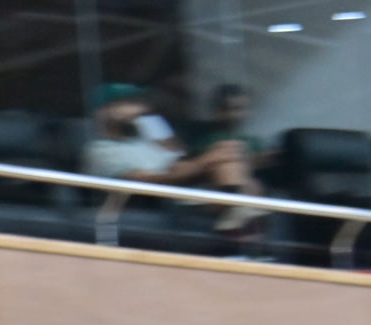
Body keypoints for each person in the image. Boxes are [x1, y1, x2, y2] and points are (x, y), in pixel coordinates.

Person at [81, 84, 261, 231]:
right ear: (104, 112)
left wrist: (155, 126)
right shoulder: (100, 151)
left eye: (140, 104)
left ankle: (239, 212)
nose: (141, 110)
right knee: (225, 158)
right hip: (164, 198)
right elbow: (146, 182)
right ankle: (240, 213)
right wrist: (205, 161)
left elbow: (178, 157)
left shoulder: (147, 138)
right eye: (129, 104)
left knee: (229, 150)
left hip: (192, 187)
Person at [190, 83, 276, 174]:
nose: (238, 115)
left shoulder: (256, 142)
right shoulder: (204, 138)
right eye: (232, 109)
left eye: (242, 109)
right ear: (218, 110)